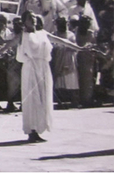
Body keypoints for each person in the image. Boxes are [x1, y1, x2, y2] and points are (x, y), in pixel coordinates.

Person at [15, 10, 83, 142]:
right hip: (30, 69)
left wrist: (78, 48)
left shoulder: (43, 33)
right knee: (33, 98)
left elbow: (61, 41)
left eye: (34, 17)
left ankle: (39, 128)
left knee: (44, 97)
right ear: (24, 21)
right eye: (29, 18)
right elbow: (8, 45)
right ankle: (32, 130)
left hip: (44, 68)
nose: (33, 19)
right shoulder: (22, 36)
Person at [51, 17, 80, 108]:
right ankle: (60, 102)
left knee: (71, 80)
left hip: (68, 59)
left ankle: (75, 101)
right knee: (59, 82)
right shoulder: (54, 34)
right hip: (58, 60)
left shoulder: (71, 35)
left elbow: (74, 47)